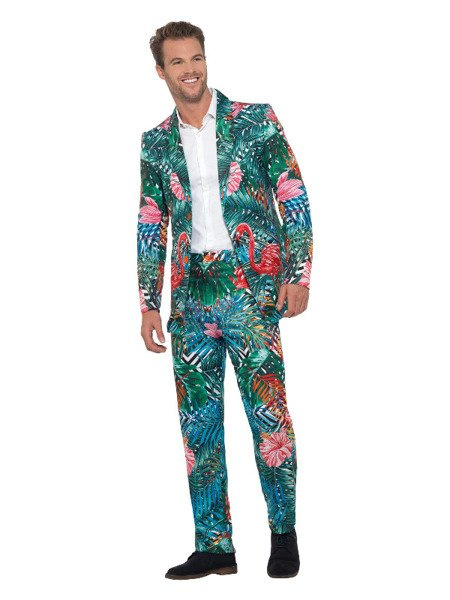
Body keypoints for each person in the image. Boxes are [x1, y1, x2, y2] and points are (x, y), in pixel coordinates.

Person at [137, 20, 313, 579]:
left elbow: (293, 196)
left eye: (197, 58)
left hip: (251, 292)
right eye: (178, 62)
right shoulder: (155, 143)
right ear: (161, 71)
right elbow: (150, 223)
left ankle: (283, 535)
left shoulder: (255, 121)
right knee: (199, 427)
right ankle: (215, 545)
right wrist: (147, 301)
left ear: (205, 60)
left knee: (269, 416)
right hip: (190, 298)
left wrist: (298, 272)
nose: (190, 69)